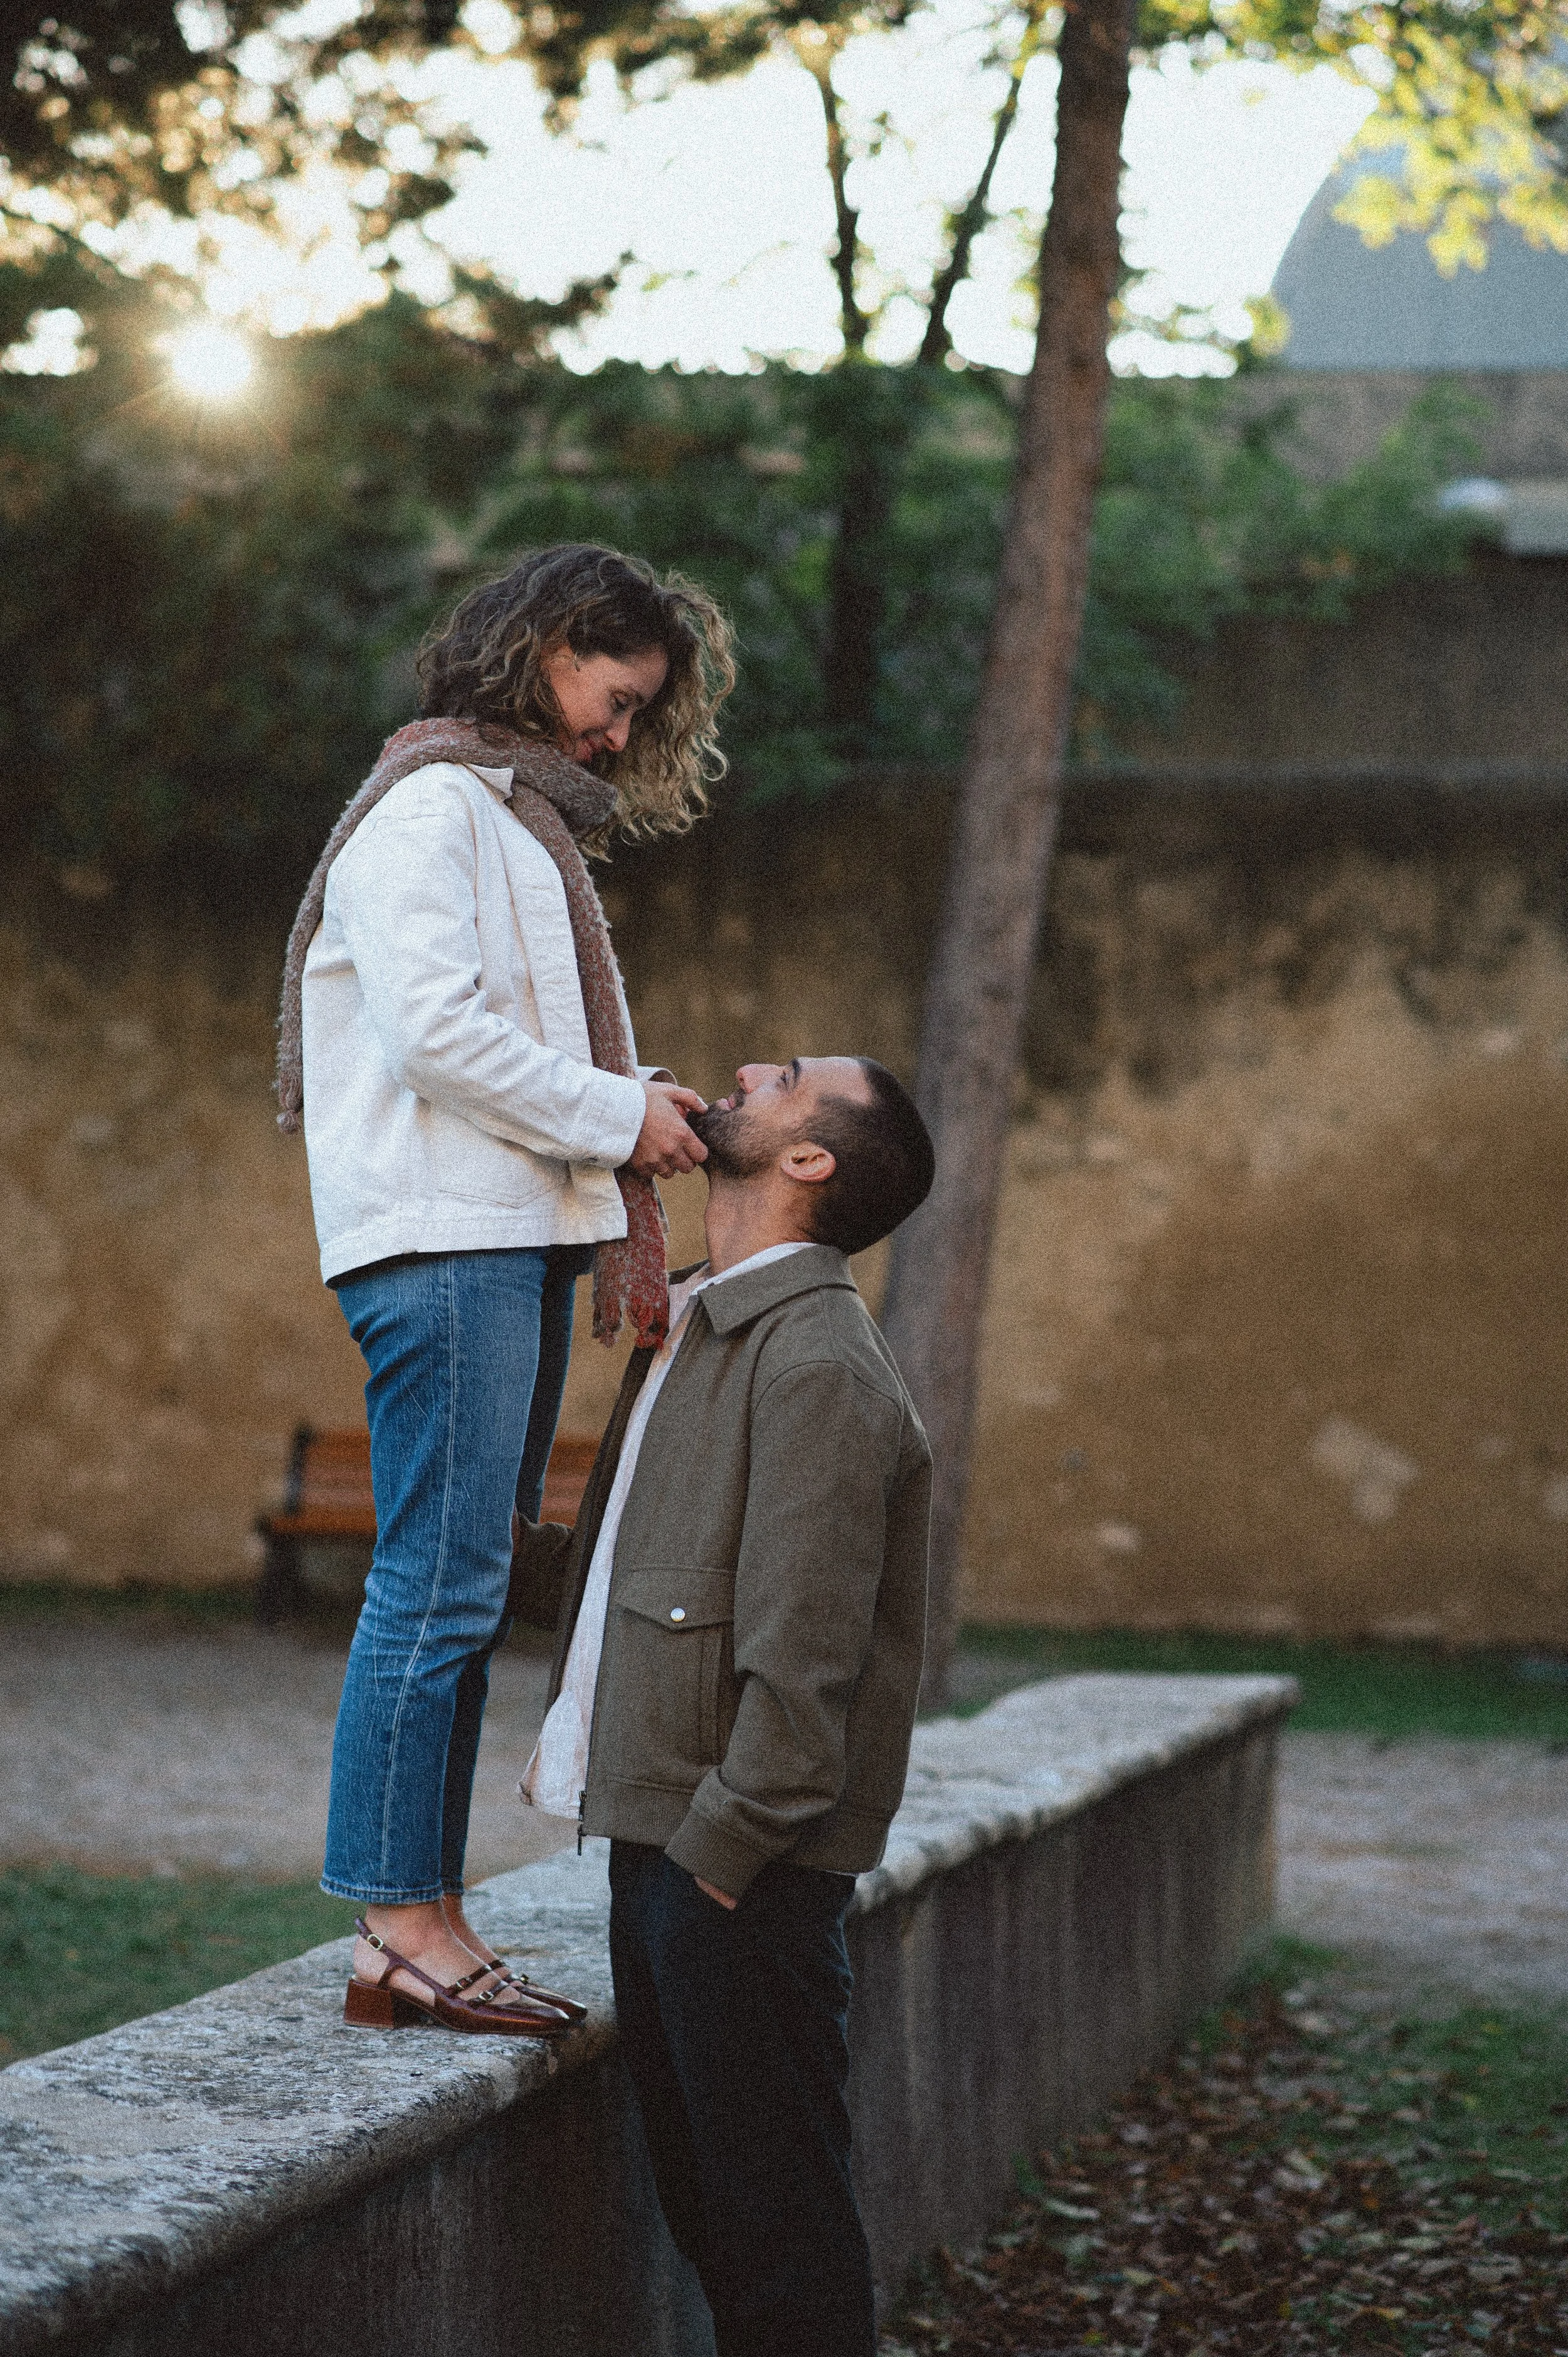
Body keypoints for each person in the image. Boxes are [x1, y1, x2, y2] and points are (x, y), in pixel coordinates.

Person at [274, 543, 734, 2036]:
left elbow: (500, 1036)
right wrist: (616, 1116)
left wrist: (627, 1104)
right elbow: (440, 1040)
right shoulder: (431, 810)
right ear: (544, 649)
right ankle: (399, 1923)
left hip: (500, 1233)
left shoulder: (505, 818)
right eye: (616, 696)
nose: (618, 732)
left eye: (638, 711)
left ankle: (418, 1915)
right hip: (445, 1239)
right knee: (440, 1584)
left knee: (464, 1586)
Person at [511, 1053, 935, 2351]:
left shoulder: (817, 1361)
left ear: (809, 1161)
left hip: (737, 1867)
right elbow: (636, 1572)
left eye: (788, 1078)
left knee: (775, 2235)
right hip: (667, 1844)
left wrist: (721, 1852)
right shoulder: (697, 1320)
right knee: (715, 2212)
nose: (749, 1070)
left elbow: (807, 1655)